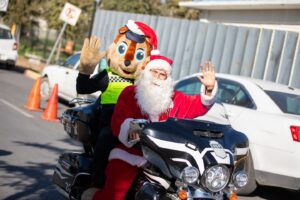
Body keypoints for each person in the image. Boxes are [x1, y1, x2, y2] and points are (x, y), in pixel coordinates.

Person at [90, 51, 218, 200]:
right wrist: (132, 129)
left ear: (167, 78)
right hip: (131, 152)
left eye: (162, 74)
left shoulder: (175, 99)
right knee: (116, 191)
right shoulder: (130, 93)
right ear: (146, 73)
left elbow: (198, 106)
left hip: (165, 158)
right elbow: (118, 121)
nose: (157, 77)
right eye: (154, 72)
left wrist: (209, 89)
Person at [76, 20, 158, 187]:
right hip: (110, 127)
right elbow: (82, 87)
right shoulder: (108, 76)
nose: (128, 60)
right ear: (114, 49)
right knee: (105, 142)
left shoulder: (143, 83)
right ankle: (96, 186)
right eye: (123, 49)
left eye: (139, 55)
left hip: (135, 131)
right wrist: (85, 70)